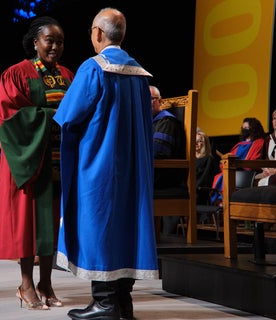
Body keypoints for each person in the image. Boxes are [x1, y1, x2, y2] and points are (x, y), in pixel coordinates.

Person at [54, 8, 159, 320]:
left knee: (98, 226)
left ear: (98, 33)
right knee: (126, 228)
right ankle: (122, 303)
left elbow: (68, 115)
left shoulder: (93, 68)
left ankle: (104, 303)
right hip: (133, 168)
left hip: (99, 165)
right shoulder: (140, 75)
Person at [0, 16, 74, 311]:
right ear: (35, 42)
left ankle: (46, 283)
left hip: (59, 160)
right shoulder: (17, 73)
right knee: (29, 225)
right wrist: (51, 116)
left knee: (51, 225)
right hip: (28, 160)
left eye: (60, 41)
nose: (55, 46)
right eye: (49, 40)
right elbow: (9, 118)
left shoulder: (68, 74)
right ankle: (25, 284)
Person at [149, 85, 186, 234]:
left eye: (151, 99)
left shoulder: (167, 123)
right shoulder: (149, 123)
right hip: (152, 173)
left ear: (160, 101)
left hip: (165, 177)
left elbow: (158, 153)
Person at [210, 117, 266, 206]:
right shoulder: (240, 144)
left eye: (247, 128)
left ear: (254, 129)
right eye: (243, 128)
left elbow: (255, 159)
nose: (244, 130)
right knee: (219, 176)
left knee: (225, 176)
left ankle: (227, 202)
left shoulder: (259, 142)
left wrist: (239, 164)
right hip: (234, 168)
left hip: (246, 170)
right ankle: (220, 202)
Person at [195, 129, 220, 205]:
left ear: (205, 144)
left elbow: (204, 180)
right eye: (195, 140)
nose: (196, 143)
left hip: (199, 192)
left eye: (199, 141)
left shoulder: (208, 159)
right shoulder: (190, 159)